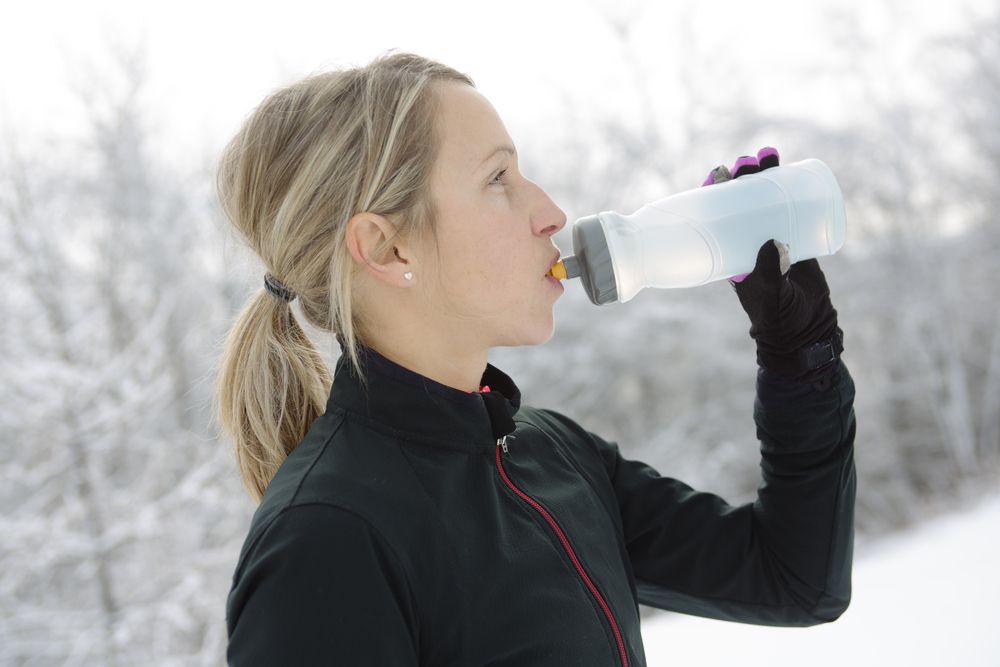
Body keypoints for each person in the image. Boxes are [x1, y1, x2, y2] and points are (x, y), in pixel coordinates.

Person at [215, 52, 856, 667]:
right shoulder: (326, 543)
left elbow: (797, 580)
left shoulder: (552, 455)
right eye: (498, 179)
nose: (551, 212)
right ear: (387, 249)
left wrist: (801, 354)